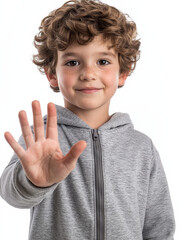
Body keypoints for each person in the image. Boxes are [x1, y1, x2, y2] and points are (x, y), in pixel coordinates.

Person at [0, 0, 175, 239]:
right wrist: (35, 182)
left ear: (122, 72)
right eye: (73, 62)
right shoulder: (41, 139)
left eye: (103, 62)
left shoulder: (141, 147)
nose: (88, 74)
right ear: (52, 75)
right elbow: (12, 195)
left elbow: (159, 227)